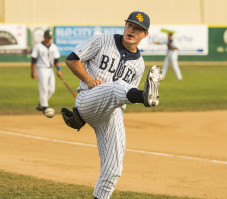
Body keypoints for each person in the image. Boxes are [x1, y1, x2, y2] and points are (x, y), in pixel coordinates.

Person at [61, 11, 162, 199]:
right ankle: (145, 96)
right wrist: (88, 79)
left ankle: (144, 95)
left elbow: (124, 98)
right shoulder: (102, 40)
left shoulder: (139, 64)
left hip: (111, 112)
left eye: (138, 28)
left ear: (145, 35)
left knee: (113, 169)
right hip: (88, 98)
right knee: (117, 87)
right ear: (125, 25)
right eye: (130, 25)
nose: (132, 30)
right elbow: (72, 59)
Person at [31, 29, 63, 112]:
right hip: (41, 69)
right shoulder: (37, 46)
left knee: (51, 89)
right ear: (44, 37)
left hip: (50, 69)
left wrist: (59, 70)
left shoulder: (54, 47)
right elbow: (33, 60)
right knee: (44, 88)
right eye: (48, 37)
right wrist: (33, 72)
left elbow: (56, 60)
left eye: (50, 38)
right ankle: (44, 106)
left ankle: (42, 103)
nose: (49, 39)